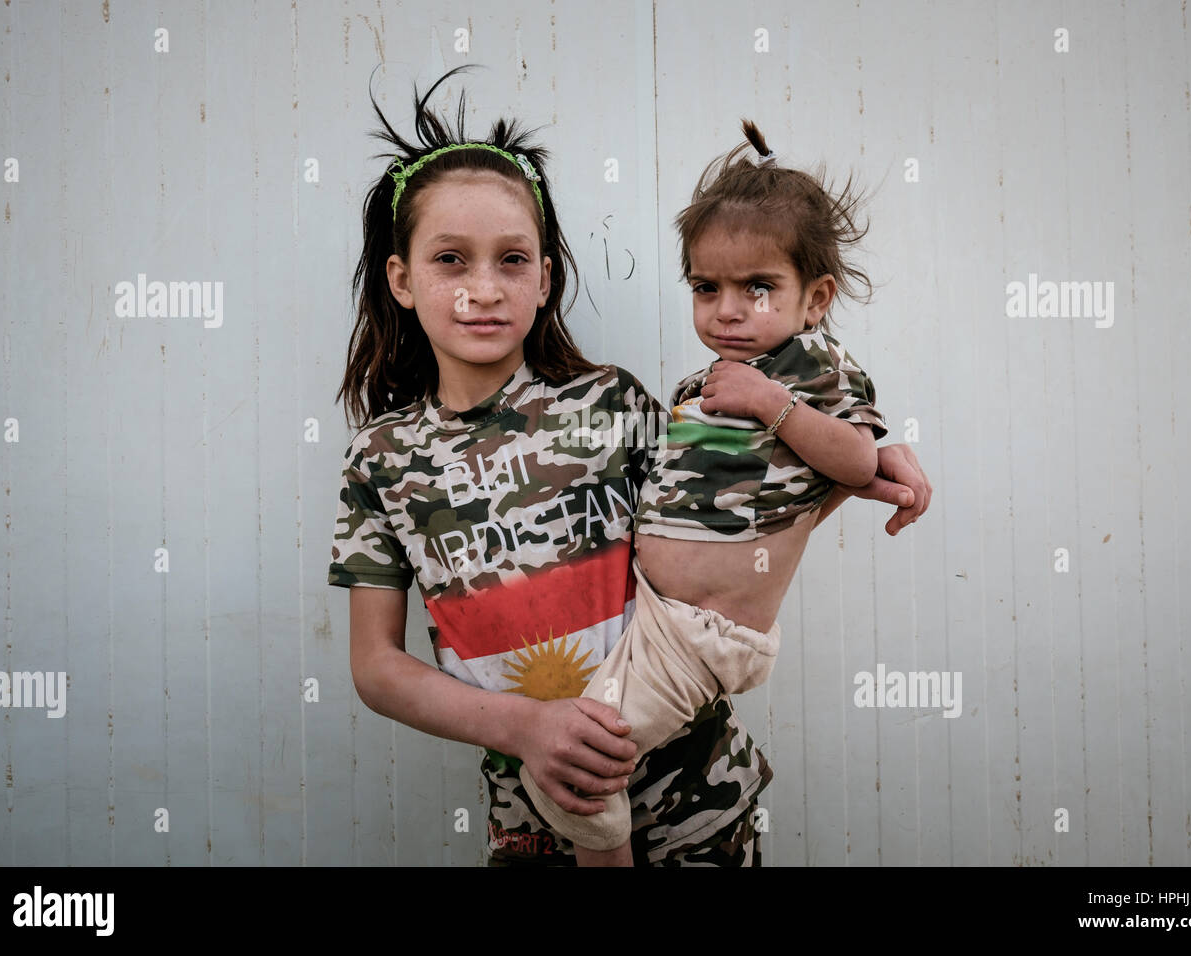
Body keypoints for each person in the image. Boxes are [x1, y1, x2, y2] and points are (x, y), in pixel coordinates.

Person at [328, 65, 933, 866]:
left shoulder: (614, 406)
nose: (484, 288)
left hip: (698, 808)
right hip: (537, 827)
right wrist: (524, 728)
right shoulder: (381, 460)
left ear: (545, 279)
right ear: (401, 280)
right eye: (450, 259)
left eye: (513, 260)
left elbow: (736, 519)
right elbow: (376, 667)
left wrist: (862, 464)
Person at [517, 118, 901, 866]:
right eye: (706, 287)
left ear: (815, 298)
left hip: (703, 633)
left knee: (573, 768)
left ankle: (609, 850)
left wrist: (772, 404)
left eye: (759, 288)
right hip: (656, 614)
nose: (728, 309)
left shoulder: (812, 368)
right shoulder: (706, 383)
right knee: (578, 739)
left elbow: (855, 457)